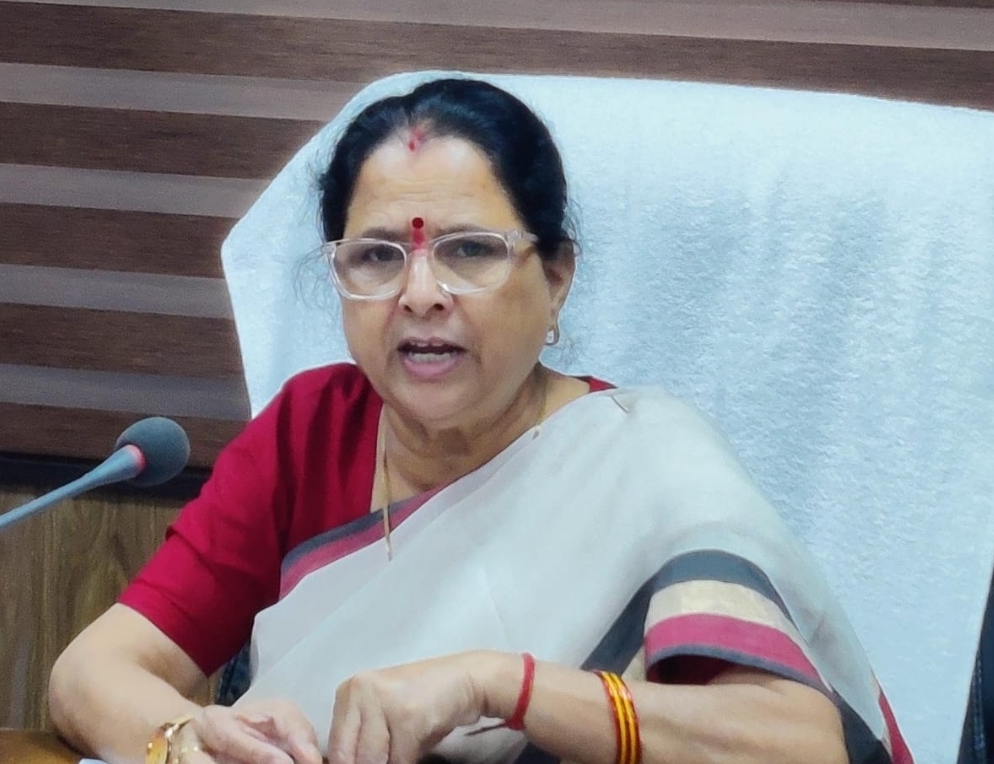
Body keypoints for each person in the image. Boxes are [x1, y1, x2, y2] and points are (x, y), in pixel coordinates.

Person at [48, 77, 912, 764]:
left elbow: (799, 745)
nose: (421, 294)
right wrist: (185, 741)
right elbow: (91, 672)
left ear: (556, 279)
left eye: (470, 250)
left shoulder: (646, 464)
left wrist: (497, 685)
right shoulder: (309, 431)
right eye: (378, 255)